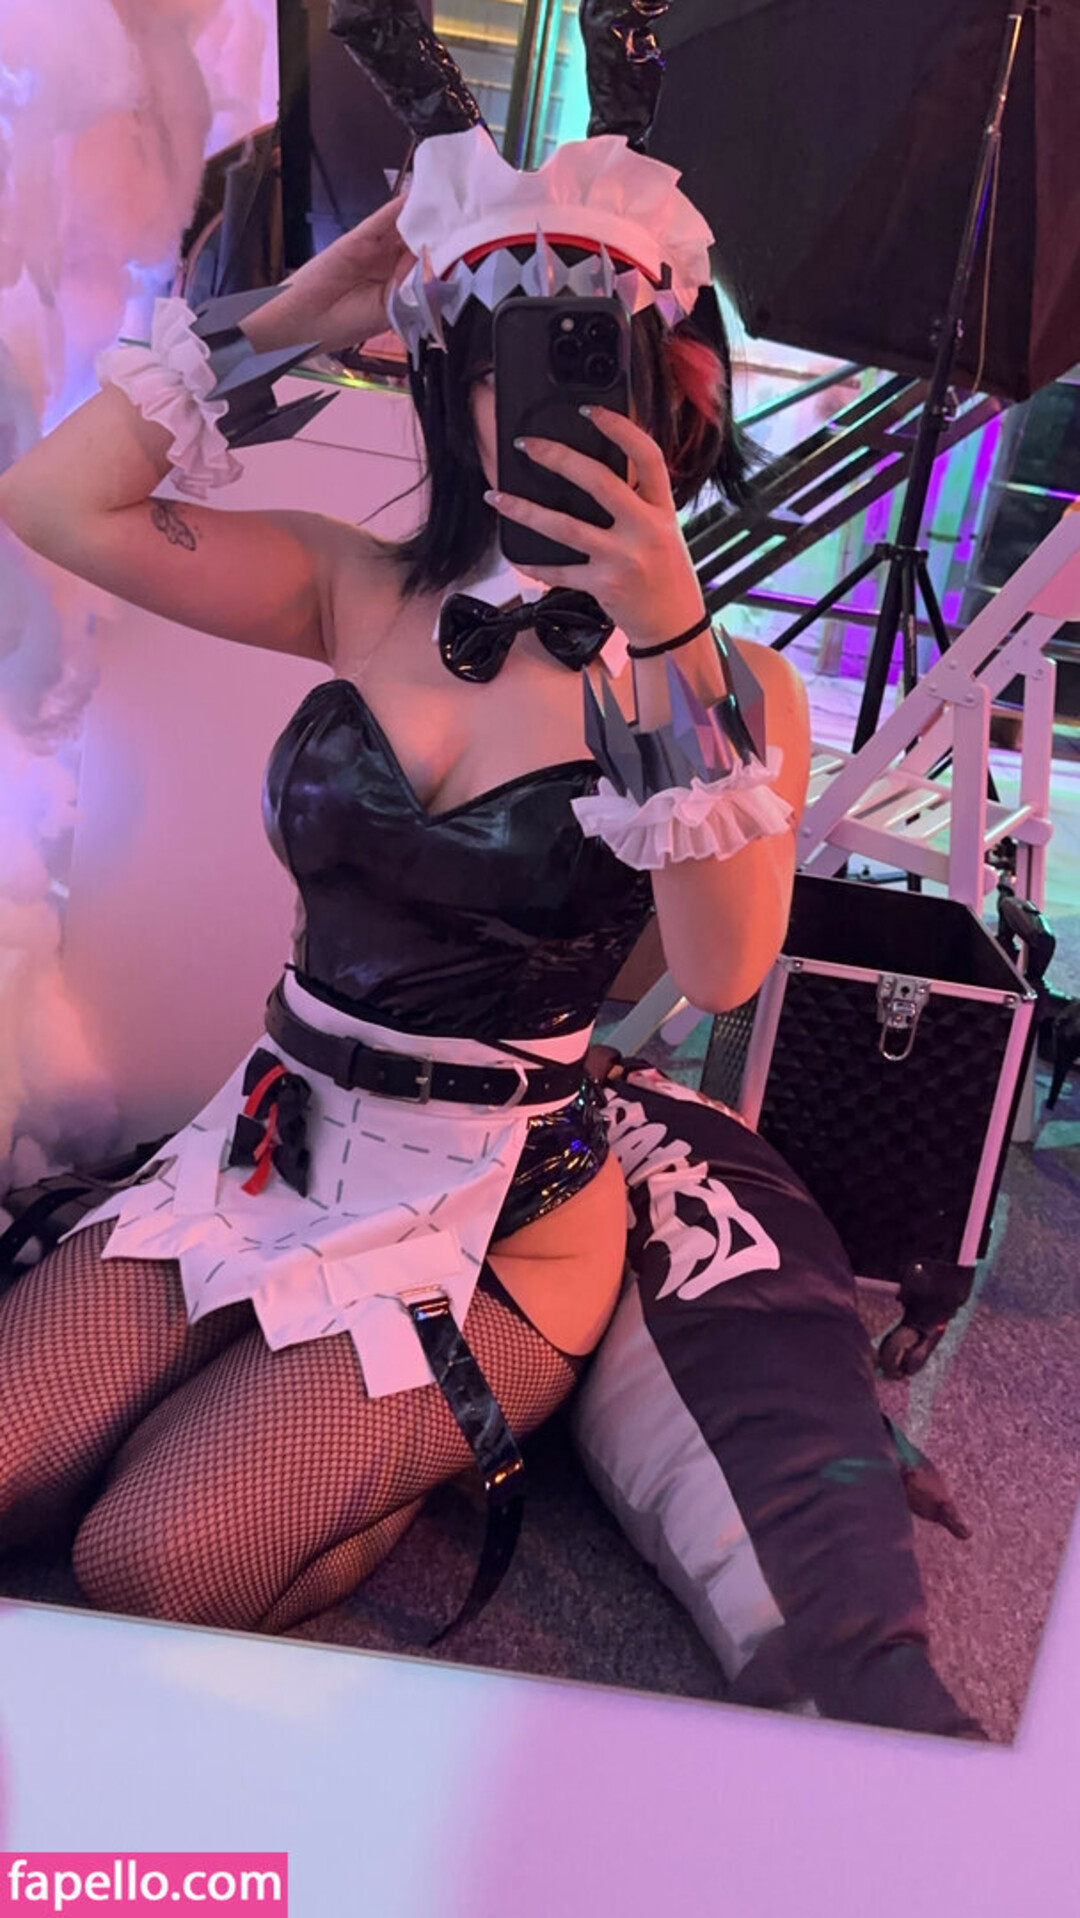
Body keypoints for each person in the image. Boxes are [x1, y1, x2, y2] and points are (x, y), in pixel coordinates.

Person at [0, 123, 809, 1636]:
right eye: (499, 361)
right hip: (262, 1146)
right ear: (451, 385)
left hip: (497, 1221)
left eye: (586, 356)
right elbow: (53, 505)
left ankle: (370, 1489)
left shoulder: (735, 684)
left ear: (661, 382)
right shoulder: (357, 587)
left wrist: (669, 630)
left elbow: (723, 970)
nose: (539, 402)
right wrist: (294, 313)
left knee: (146, 1560)